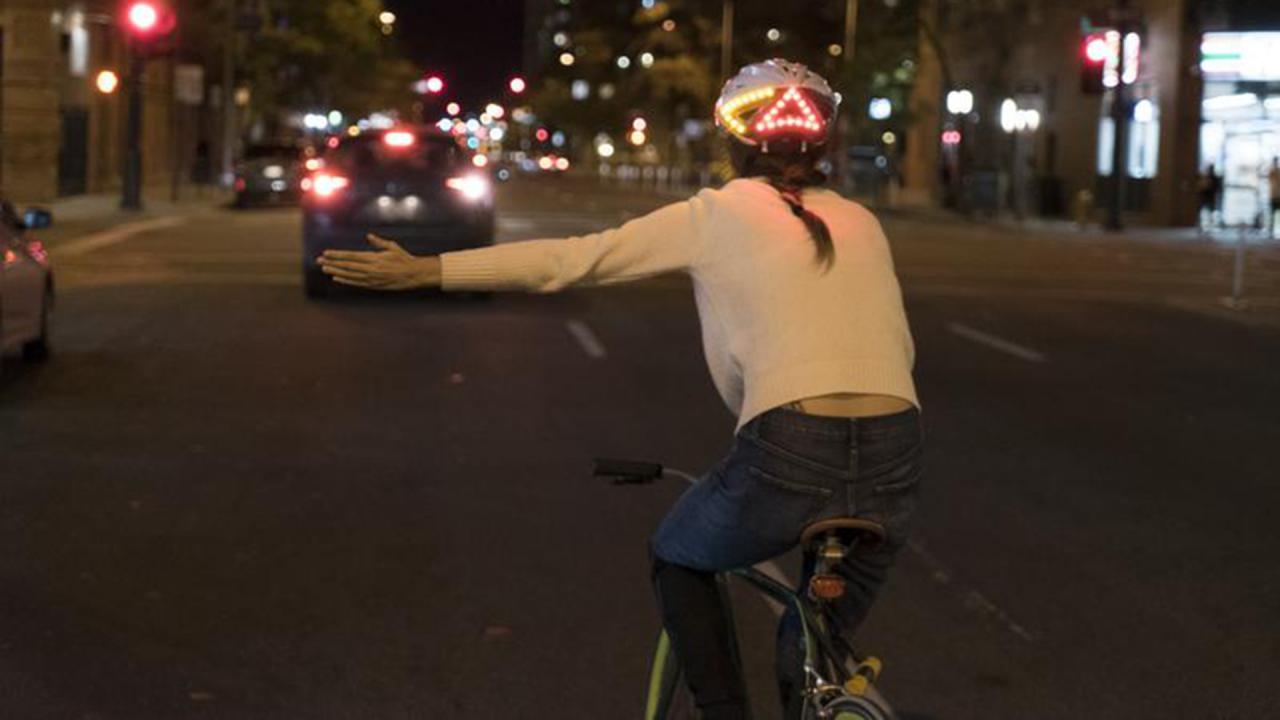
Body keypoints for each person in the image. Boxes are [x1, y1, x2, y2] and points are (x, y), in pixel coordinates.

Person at [318, 59, 922, 720]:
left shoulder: (716, 214)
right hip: (897, 452)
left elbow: (575, 258)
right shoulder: (865, 220)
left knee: (677, 556)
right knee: (812, 638)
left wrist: (431, 270)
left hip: (790, 446)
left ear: (731, 142)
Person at [1200, 162, 1223, 230]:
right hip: (1207, 196)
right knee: (1206, 210)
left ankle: (1210, 224)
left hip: (1211, 196)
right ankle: (1205, 224)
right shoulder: (1206, 177)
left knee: (1210, 211)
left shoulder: (1213, 178)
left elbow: (1218, 188)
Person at [1267, 157, 1279, 237]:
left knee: (1273, 214)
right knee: (1272, 214)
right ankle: (1271, 231)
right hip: (1273, 196)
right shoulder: (1272, 171)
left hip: (1277, 196)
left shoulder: (1276, 171)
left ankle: (1272, 231)